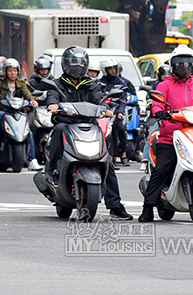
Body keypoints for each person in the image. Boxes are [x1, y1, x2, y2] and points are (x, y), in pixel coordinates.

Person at [44, 46, 132, 221]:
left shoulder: (90, 84)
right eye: (73, 62)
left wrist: (106, 109)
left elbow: (99, 99)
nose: (77, 66)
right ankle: (54, 168)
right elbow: (52, 95)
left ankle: (115, 206)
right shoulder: (58, 83)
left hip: (88, 126)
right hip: (67, 125)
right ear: (65, 64)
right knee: (59, 129)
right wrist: (53, 104)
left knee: (108, 164)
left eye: (80, 63)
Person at [138, 45, 193, 223]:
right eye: (180, 64)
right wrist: (159, 111)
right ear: (173, 66)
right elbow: (158, 103)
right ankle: (148, 207)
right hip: (170, 137)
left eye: (188, 64)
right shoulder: (165, 85)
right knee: (162, 169)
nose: (184, 67)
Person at [0, 58, 41, 171]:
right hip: (4, 110)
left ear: (18, 71)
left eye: (15, 70)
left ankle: (32, 159)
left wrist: (32, 100)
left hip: (18, 111)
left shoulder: (21, 83)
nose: (13, 73)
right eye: (10, 71)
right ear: (5, 71)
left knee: (29, 133)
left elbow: (27, 94)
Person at [100, 59, 137, 165]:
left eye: (114, 68)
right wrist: (105, 110)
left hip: (117, 110)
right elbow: (99, 98)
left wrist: (120, 111)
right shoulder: (101, 82)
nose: (113, 71)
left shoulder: (121, 82)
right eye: (110, 69)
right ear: (105, 70)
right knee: (108, 133)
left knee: (120, 128)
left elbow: (123, 98)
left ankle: (124, 155)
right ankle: (110, 157)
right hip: (105, 111)